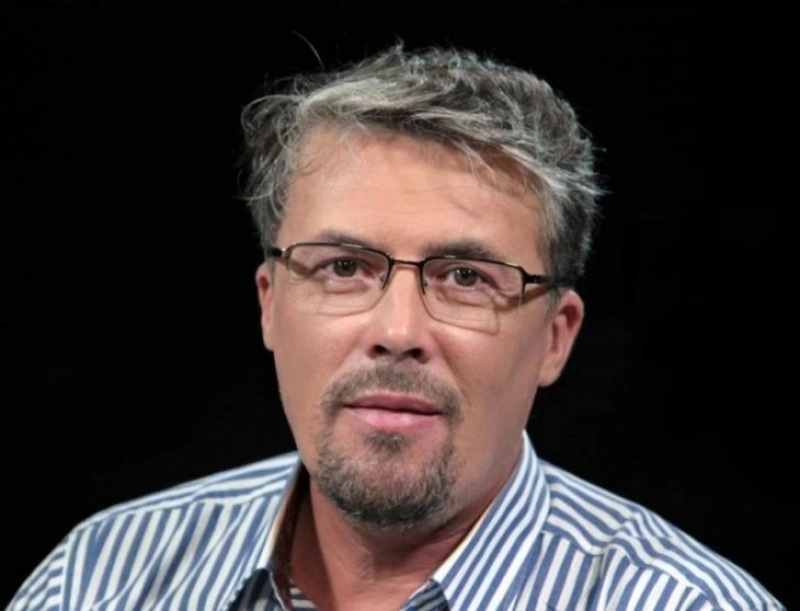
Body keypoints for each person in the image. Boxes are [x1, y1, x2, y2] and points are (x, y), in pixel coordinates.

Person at [9, 44, 784, 611]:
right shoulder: (97, 578)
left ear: (557, 335)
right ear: (270, 303)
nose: (397, 328)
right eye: (344, 266)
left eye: (466, 276)